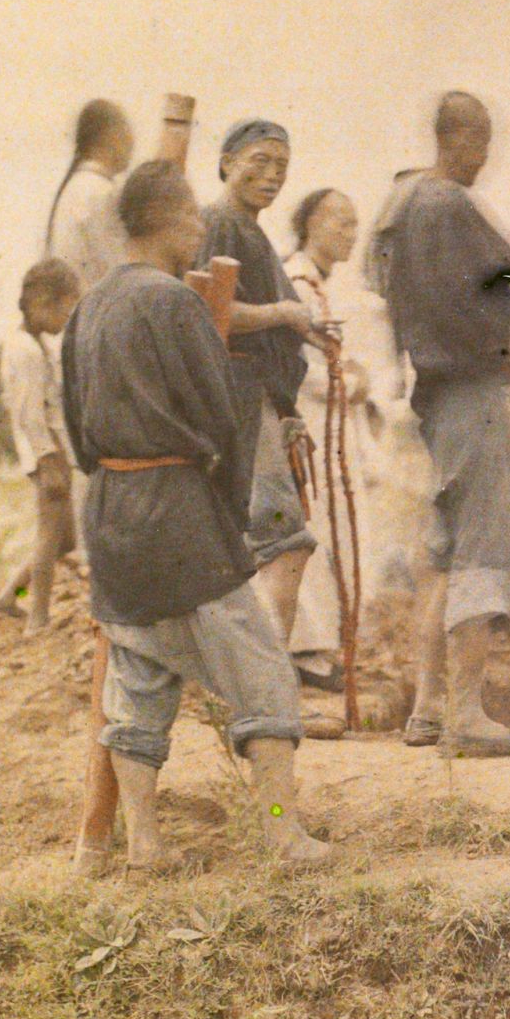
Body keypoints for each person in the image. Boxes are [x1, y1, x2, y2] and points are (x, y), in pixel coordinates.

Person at [60, 160, 335, 869]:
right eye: (192, 219)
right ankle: (281, 831)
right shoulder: (175, 302)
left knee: (139, 675)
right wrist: (220, 504)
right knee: (266, 672)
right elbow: (221, 418)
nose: (198, 231)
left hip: (112, 512)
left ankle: (145, 844)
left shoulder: (87, 308)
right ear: (173, 219)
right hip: (177, 510)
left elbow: (80, 436)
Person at [376, 92, 510, 756]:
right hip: (474, 390)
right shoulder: (448, 204)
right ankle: (467, 714)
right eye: (483, 144)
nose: (484, 159)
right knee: (483, 547)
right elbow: (505, 296)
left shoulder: (399, 210)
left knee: (444, 555)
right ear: (467, 138)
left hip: (434, 395)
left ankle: (426, 708)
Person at [193, 119, 334, 707]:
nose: (272, 175)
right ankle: (264, 691)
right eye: (259, 160)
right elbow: (213, 311)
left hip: (257, 399)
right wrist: (283, 312)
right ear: (226, 162)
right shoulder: (223, 221)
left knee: (259, 544)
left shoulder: (245, 227)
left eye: (282, 165)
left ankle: (243, 686)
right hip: (238, 395)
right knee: (285, 542)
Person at [282, 187, 365, 690]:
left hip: (334, 418)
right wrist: (352, 383)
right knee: (313, 523)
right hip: (310, 418)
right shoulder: (296, 281)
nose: (350, 233)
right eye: (341, 222)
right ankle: (307, 652)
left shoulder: (323, 285)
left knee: (339, 526)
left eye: (355, 224)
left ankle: (327, 645)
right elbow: (302, 366)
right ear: (311, 222)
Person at [0, 259, 84, 630]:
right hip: (47, 452)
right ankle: (37, 617)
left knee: (64, 541)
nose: (68, 319)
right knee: (49, 534)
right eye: (66, 309)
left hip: (53, 448)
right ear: (44, 303)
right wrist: (48, 458)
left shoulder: (34, 345)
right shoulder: (24, 349)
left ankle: (11, 596)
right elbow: (29, 413)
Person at [45, 99, 136, 288]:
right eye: (127, 135)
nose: (132, 145)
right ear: (111, 138)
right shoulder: (101, 192)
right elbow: (117, 271)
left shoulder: (74, 187)